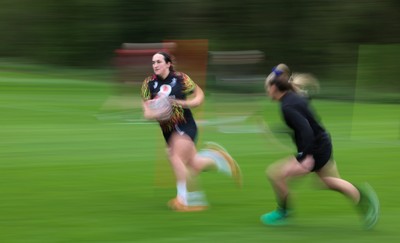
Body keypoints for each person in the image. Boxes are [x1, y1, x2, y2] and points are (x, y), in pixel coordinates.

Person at [260, 63, 380, 229]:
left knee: (275, 174)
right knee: (328, 182)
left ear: (274, 87)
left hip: (315, 150)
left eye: (267, 87)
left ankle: (283, 213)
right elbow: (302, 123)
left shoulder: (287, 106)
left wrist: (305, 157)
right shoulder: (294, 98)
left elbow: (306, 130)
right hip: (322, 144)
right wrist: (277, 130)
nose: (267, 91)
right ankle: (364, 199)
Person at [141, 51, 242, 212]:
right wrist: (156, 113)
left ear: (168, 64)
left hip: (185, 125)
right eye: (153, 62)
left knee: (175, 157)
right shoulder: (148, 83)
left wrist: (179, 103)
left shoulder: (181, 79)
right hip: (167, 131)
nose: (155, 65)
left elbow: (199, 97)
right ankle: (218, 158)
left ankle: (184, 200)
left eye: (159, 62)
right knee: (194, 164)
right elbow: (146, 112)